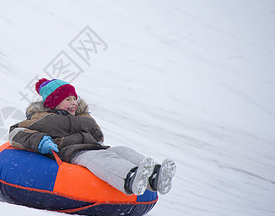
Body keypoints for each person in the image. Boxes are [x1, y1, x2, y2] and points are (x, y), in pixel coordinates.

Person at [9, 78, 176, 196]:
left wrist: (87, 122)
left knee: (123, 151)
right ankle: (130, 178)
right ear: (53, 103)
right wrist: (40, 141)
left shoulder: (83, 117)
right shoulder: (44, 118)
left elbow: (98, 137)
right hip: (72, 153)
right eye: (67, 99)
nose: (74, 102)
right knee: (100, 159)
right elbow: (15, 132)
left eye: (75, 98)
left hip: (94, 147)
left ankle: (155, 176)